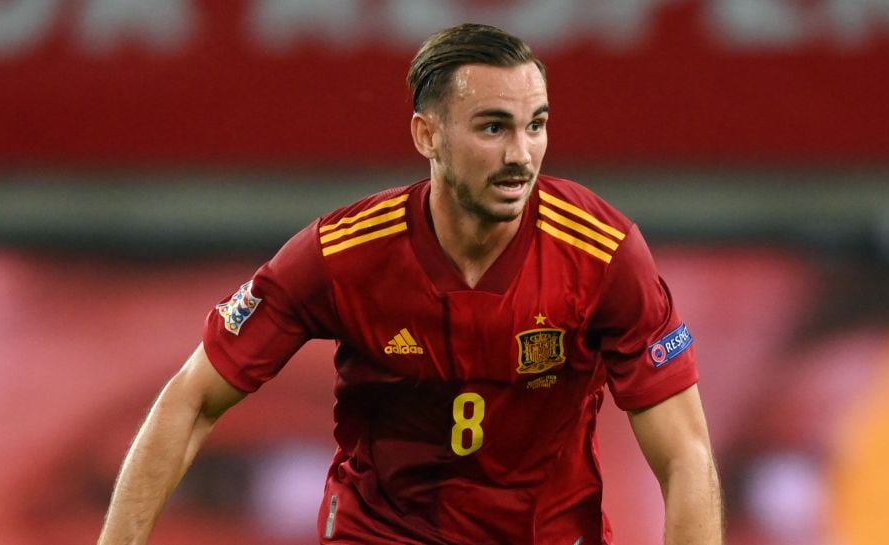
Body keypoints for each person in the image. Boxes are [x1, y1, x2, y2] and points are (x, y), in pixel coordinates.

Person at [98, 23, 722, 545]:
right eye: (492, 127)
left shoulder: (603, 254)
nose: (521, 154)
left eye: (536, 124)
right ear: (427, 135)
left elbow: (685, 455)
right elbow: (192, 400)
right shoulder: (341, 256)